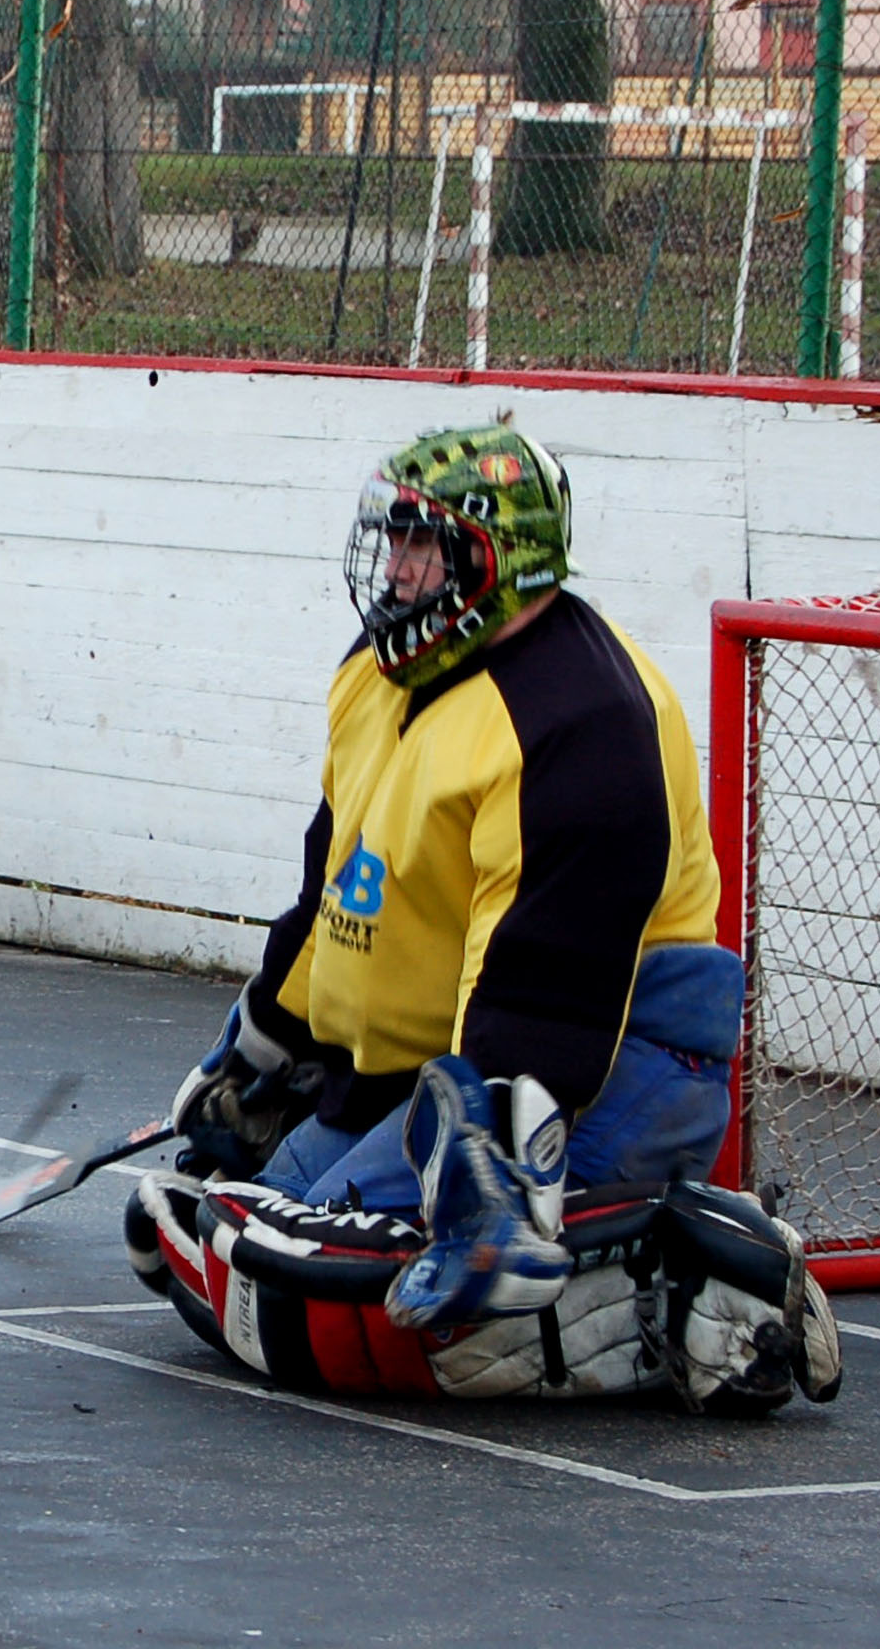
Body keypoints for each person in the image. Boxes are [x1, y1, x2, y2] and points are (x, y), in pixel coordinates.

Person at [166, 420, 745, 1330]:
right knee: (221, 1232)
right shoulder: (377, 671)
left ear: (500, 559)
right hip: (429, 1076)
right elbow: (336, 877)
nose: (398, 567)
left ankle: (699, 1298)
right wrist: (266, 1052)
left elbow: (551, 989)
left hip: (595, 1069)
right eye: (393, 537)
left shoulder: (581, 717)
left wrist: (485, 1176)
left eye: (425, 543)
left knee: (302, 1291)